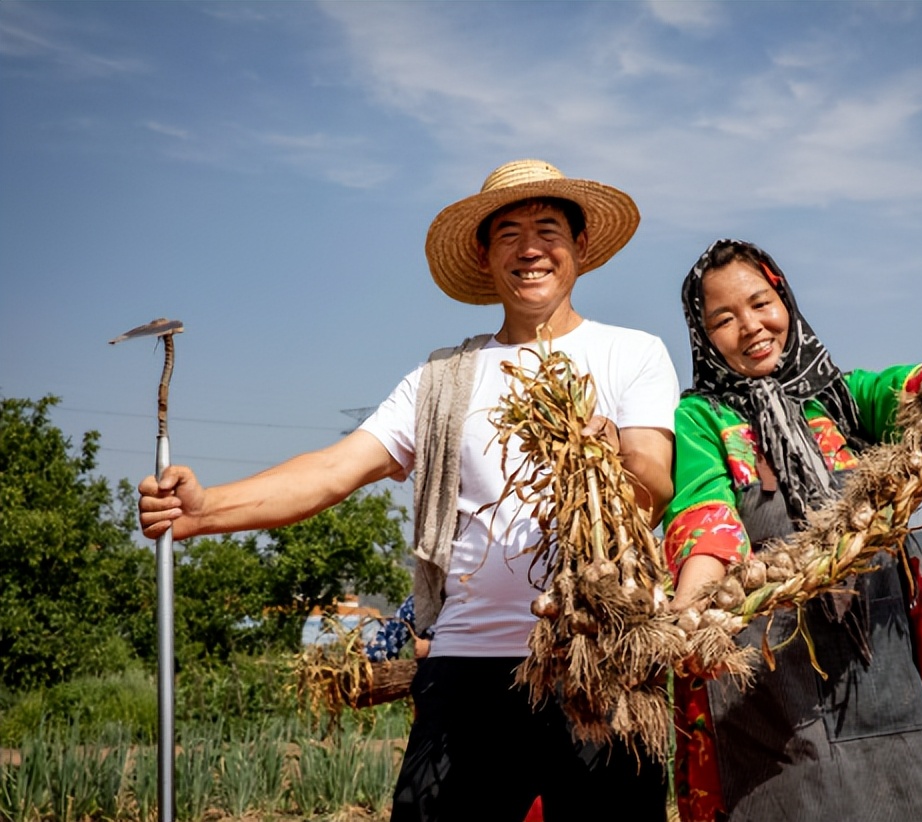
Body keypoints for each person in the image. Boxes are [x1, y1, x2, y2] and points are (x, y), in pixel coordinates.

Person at [139, 159, 680, 822]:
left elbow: (654, 484)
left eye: (548, 229)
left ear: (581, 248)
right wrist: (207, 509)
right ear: (484, 256)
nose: (530, 248)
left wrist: (604, 461)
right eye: (509, 234)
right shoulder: (441, 381)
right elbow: (336, 468)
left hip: (599, 661)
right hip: (469, 667)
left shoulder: (632, 353)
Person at [662, 239, 922, 822]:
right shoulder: (703, 419)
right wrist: (691, 614)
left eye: (761, 303)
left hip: (879, 683)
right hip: (768, 698)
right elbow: (705, 520)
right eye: (723, 318)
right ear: (704, 335)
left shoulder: (845, 398)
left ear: (786, 301)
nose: (750, 327)